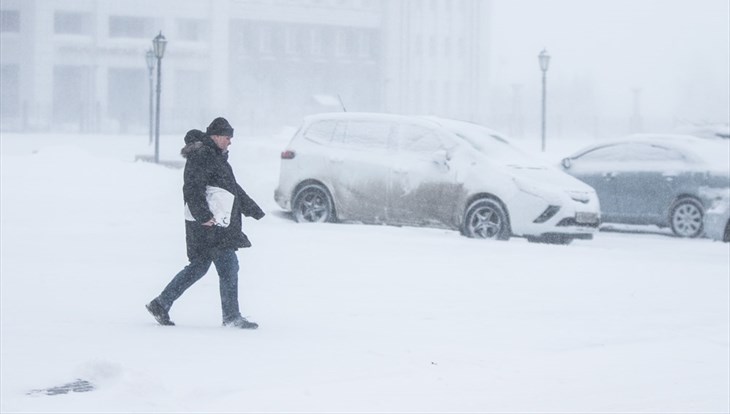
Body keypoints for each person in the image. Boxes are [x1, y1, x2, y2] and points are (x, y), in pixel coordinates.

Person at [146, 117, 265, 329]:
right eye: (228, 137)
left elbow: (232, 188)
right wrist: (204, 216)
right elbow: (192, 188)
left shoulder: (215, 157)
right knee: (229, 266)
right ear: (216, 136)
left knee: (199, 267)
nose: (230, 142)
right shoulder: (203, 157)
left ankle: (161, 303)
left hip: (209, 224)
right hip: (209, 226)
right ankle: (231, 316)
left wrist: (251, 208)